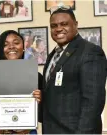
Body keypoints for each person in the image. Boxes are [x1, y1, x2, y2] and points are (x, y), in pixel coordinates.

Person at [42, 5, 107, 134]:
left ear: (76, 25)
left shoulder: (90, 52)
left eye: (64, 24)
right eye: (54, 26)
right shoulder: (53, 55)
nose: (58, 29)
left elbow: (93, 102)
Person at [0, 30, 43, 134]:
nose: (11, 47)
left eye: (16, 43)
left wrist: (39, 100)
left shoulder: (35, 76)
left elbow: (44, 112)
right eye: (5, 44)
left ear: (23, 47)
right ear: (0, 49)